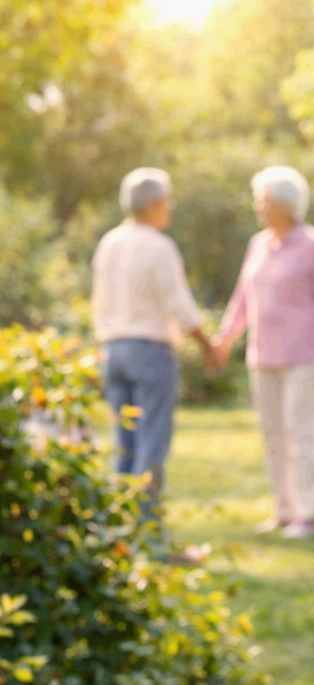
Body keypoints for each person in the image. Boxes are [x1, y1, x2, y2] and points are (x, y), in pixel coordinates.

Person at [214, 166, 314, 540]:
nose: (259, 207)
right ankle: (284, 509)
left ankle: (309, 513)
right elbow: (243, 298)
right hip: (262, 355)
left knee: (299, 432)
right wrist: (224, 338)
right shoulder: (257, 244)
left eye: (264, 201)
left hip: (304, 354)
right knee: (272, 434)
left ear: (284, 205)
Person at [91, 168, 223, 522]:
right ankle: (147, 537)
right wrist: (208, 345)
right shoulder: (159, 246)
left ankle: (118, 531)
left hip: (113, 350)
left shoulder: (109, 243)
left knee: (124, 443)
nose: (170, 208)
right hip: (149, 351)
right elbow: (180, 307)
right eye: (167, 202)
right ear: (153, 205)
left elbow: (99, 303)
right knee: (151, 444)